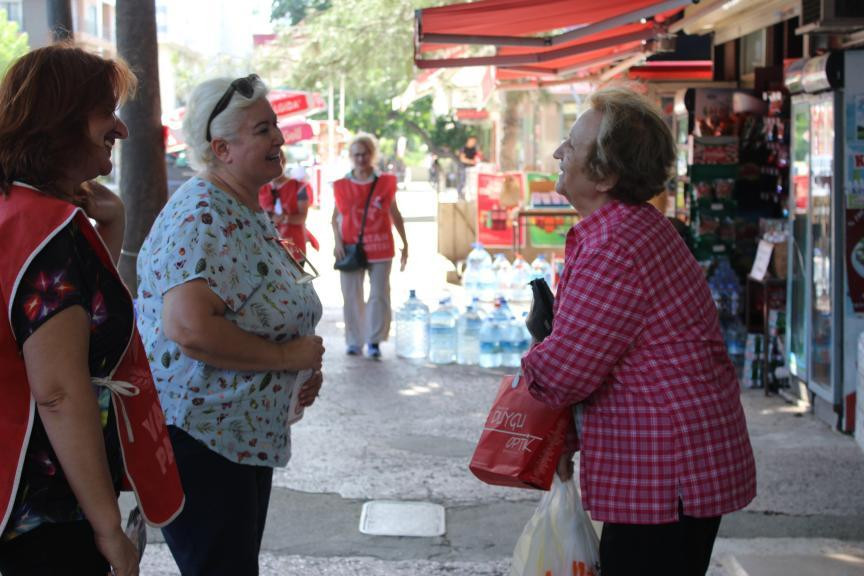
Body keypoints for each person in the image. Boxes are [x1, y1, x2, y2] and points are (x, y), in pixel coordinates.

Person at [521, 87, 756, 576]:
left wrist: (537, 353)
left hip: (666, 469)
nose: (558, 153)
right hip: (675, 462)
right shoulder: (633, 226)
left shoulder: (616, 246)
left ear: (605, 175)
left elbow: (564, 374)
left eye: (571, 144)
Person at [0, 44, 184, 576]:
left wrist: (111, 231)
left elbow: (82, 327)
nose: (122, 129)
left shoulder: (17, 209)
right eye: (108, 110)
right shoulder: (47, 230)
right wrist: (109, 530)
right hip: (43, 519)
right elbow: (58, 391)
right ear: (62, 121)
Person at [136, 75, 325, 576]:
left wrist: (295, 370)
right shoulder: (201, 212)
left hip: (234, 438)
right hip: (202, 440)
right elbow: (191, 328)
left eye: (276, 126)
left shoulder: (241, 206)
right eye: (263, 130)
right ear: (222, 148)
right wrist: (288, 359)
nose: (279, 139)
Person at [332, 133, 408, 359]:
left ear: (372, 155)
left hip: (381, 245)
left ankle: (374, 340)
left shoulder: (385, 182)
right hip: (350, 247)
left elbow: (395, 213)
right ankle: (355, 341)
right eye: (356, 154)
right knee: (351, 295)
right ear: (350, 157)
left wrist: (406, 243)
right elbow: (334, 217)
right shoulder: (342, 185)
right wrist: (337, 243)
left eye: (365, 154)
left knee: (379, 294)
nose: (361, 158)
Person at [257, 149, 316, 258]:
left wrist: (284, 218)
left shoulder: (299, 187)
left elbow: (302, 217)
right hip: (269, 247)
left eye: (278, 160)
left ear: (284, 161)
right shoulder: (260, 189)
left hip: (294, 245)